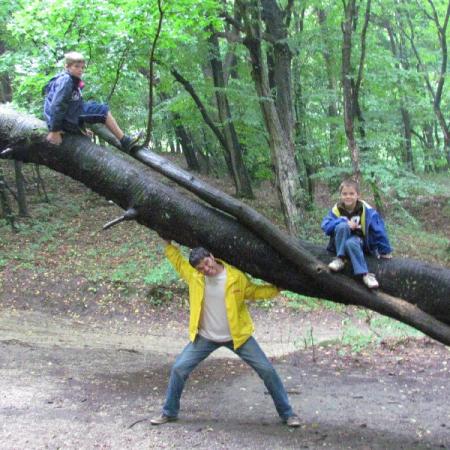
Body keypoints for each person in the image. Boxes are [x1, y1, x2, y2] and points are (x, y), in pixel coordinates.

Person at [150, 241, 300, 428]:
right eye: (201, 267)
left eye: (206, 263)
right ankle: (169, 412)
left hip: (237, 337)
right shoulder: (195, 277)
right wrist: (167, 245)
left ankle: (288, 414)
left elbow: (253, 292)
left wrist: (276, 288)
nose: (206, 269)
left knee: (267, 370)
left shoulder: (235, 276)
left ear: (212, 256)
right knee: (179, 369)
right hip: (205, 337)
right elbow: (178, 262)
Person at [43, 51, 141, 152]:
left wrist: (80, 129)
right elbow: (57, 105)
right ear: (67, 66)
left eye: (82, 67)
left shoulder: (65, 79)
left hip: (68, 117)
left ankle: (122, 139)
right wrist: (54, 130)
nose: (80, 70)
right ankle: (125, 141)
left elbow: (71, 105)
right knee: (103, 111)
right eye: (76, 66)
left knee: (93, 106)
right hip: (64, 119)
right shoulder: (66, 81)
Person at [321, 179, 392, 289]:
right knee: (342, 226)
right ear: (340, 195)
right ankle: (340, 259)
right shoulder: (337, 209)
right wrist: (343, 220)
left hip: (360, 243)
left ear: (358, 195)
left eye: (351, 194)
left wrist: (385, 250)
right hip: (340, 244)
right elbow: (326, 226)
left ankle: (365, 274)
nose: (348, 197)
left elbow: (378, 230)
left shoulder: (366, 210)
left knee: (351, 242)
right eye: (344, 194)